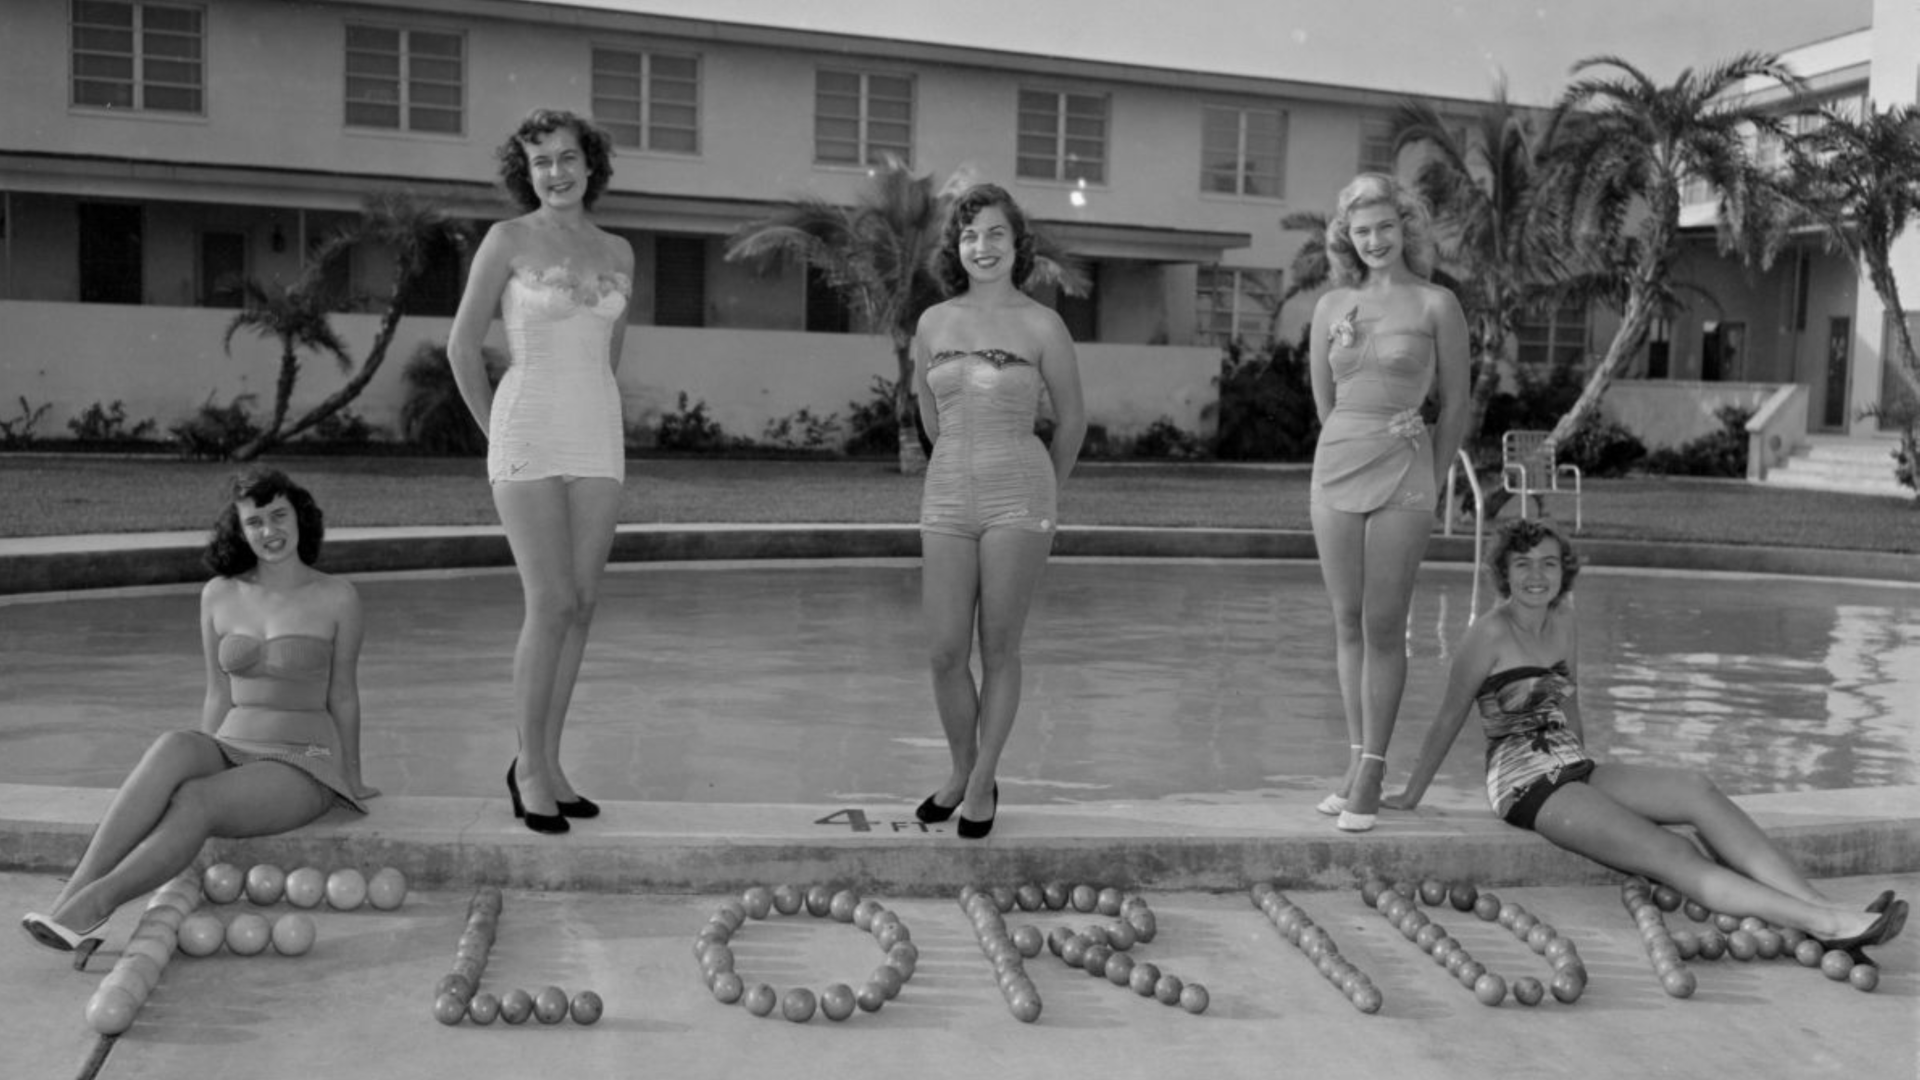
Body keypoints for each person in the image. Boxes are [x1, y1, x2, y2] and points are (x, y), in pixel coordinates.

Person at [1383, 519, 1907, 953]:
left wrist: (1591, 771)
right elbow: (1447, 717)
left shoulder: (1564, 620)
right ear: (1504, 573)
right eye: (1522, 564)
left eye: (1547, 562)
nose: (1536, 575)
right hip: (1525, 784)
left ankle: (1824, 909)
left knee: (1696, 788)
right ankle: (1827, 924)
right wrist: (1411, 794)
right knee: (1672, 852)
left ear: (1563, 569)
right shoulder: (1488, 635)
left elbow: (1570, 697)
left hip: (1572, 766)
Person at [22, 469, 376, 954]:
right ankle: (69, 900)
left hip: (302, 759)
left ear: (301, 518)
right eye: (255, 522)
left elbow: (344, 695)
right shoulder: (218, 593)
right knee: (174, 745)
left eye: (279, 516)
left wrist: (352, 779)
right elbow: (217, 692)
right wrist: (203, 750)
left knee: (196, 802)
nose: (269, 532)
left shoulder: (338, 596)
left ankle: (94, 907)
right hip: (233, 743)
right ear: (240, 528)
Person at [448, 109, 634, 835]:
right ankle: (526, 767)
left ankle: (551, 764)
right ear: (523, 174)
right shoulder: (507, 240)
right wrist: (500, 436)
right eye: (539, 163)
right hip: (525, 427)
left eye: (565, 158)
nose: (554, 173)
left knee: (582, 604)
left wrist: (600, 419)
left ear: (591, 163)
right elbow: (463, 347)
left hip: (597, 433)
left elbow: (609, 351)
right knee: (550, 600)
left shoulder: (621, 251)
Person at [909, 183, 1086, 839]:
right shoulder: (934, 323)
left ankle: (981, 785)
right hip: (948, 491)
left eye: (995, 234)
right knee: (944, 651)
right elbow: (928, 414)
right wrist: (957, 463)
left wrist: (1045, 491)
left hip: (1021, 494)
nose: (981, 246)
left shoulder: (1043, 324)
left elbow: (1072, 420)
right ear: (958, 247)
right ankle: (959, 769)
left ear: (1018, 245)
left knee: (998, 648)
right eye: (969, 235)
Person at [1307, 173, 1470, 832]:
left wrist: (1429, 473)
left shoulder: (1437, 305)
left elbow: (1456, 404)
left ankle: (1375, 766)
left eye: (1385, 227)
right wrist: (1349, 435)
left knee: (1383, 625)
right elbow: (1325, 399)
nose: (1374, 240)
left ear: (1406, 229)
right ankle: (1355, 760)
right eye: (1361, 229)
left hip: (1404, 472)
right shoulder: (1329, 307)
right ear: (1347, 236)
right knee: (1346, 623)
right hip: (1336, 468)